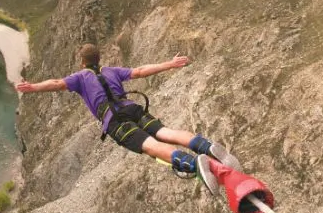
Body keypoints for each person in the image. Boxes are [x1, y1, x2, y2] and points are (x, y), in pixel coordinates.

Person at [15, 44, 240, 193]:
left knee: (151, 146)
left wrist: (32, 87)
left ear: (82, 62)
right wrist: (169, 64)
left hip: (114, 120)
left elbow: (56, 84)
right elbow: (140, 71)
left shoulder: (80, 77)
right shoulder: (111, 70)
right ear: (98, 59)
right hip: (132, 107)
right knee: (165, 132)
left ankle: (194, 165)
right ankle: (208, 147)